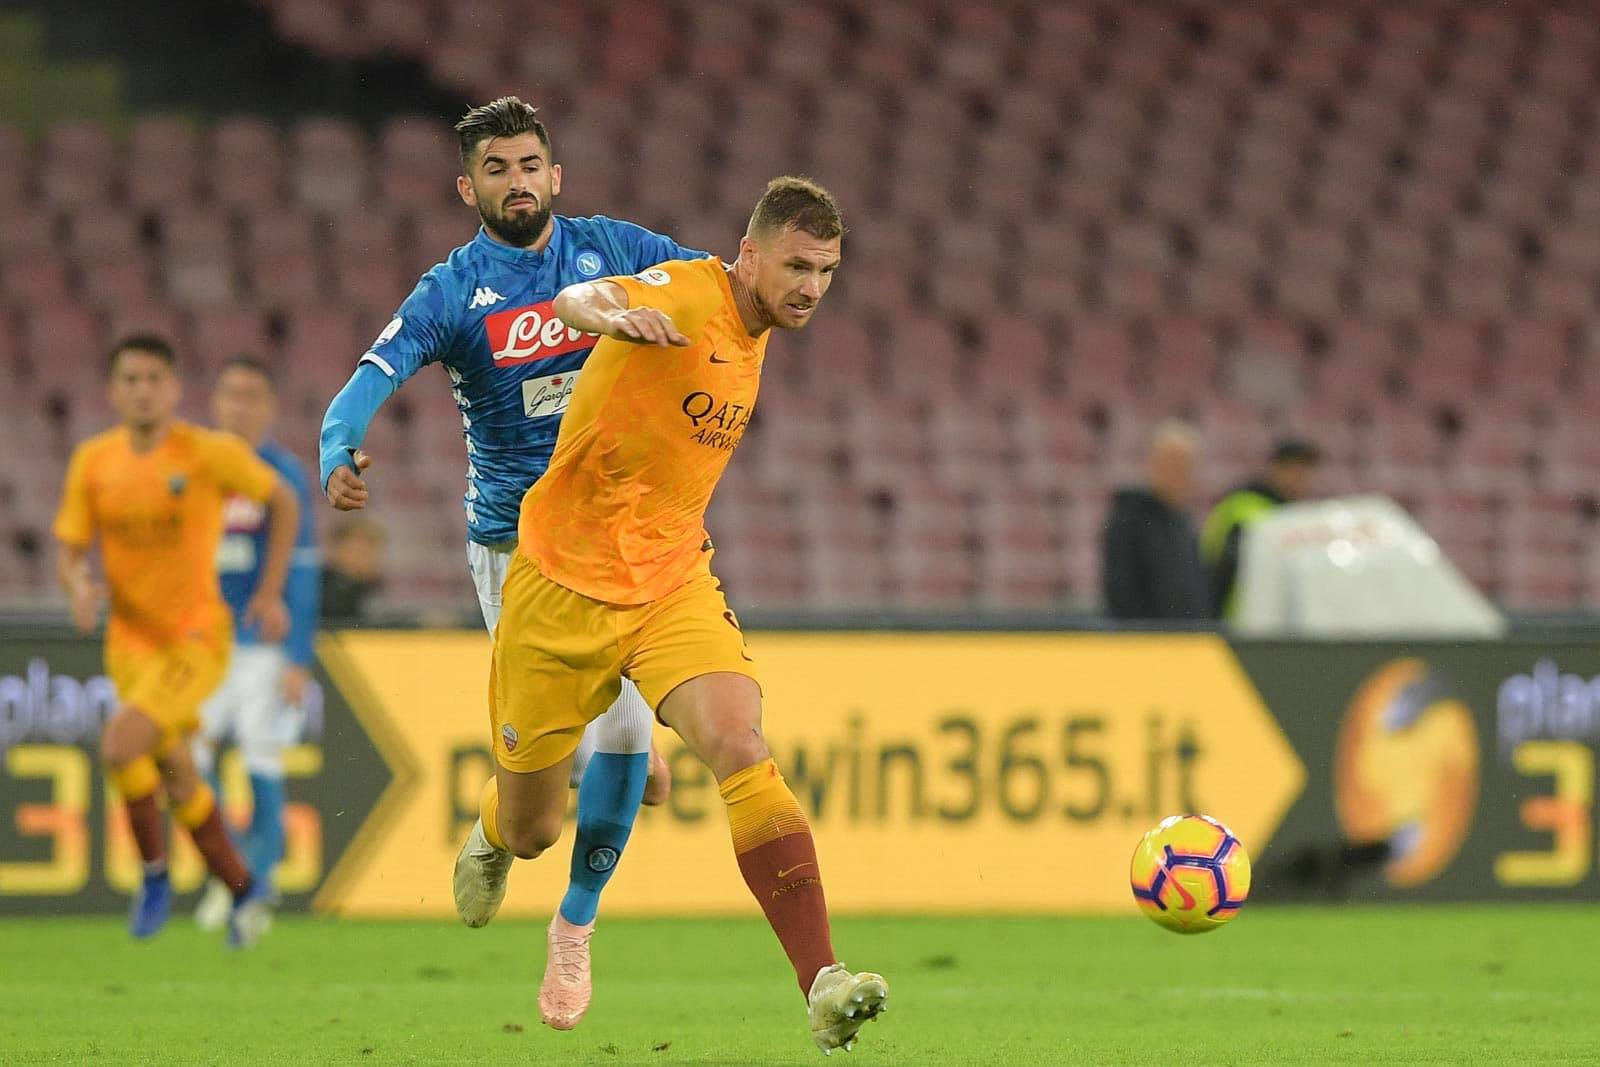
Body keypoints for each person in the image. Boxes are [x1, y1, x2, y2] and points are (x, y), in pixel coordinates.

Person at [454, 177, 889, 1054]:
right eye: (797, 266)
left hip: (669, 581)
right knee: (536, 828)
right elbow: (580, 298)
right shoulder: (690, 291)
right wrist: (600, 312)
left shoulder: (758, 330)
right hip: (559, 584)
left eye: (826, 271)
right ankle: (494, 831)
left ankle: (823, 982)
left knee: (741, 744)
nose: (811, 287)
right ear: (749, 255)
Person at [317, 96, 702, 1028]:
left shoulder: (614, 249)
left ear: (555, 175)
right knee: (539, 821)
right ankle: (501, 828)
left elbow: (717, 289)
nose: (517, 181)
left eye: (529, 164)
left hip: (617, 534)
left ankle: (575, 927)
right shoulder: (453, 291)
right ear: (468, 188)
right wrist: (338, 446)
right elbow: (372, 373)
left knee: (623, 742)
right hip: (516, 550)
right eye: (496, 169)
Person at [53, 334, 299, 947]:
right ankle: (242, 890)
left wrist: (271, 592)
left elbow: (284, 500)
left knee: (120, 745)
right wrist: (78, 585)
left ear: (174, 389)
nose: (142, 390)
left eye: (154, 379)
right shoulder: (93, 461)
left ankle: (154, 874)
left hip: (195, 639)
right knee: (179, 772)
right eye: (131, 379)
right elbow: (71, 549)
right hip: (130, 644)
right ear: (112, 391)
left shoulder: (206, 452)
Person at [191, 357, 320, 931]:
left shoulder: (282, 473)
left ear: (268, 407)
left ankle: (255, 883)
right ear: (215, 402)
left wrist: (298, 657)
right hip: (199, 646)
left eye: (251, 396)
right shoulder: (193, 468)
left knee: (261, 758)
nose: (239, 407)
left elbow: (303, 565)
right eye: (230, 394)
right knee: (189, 764)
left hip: (262, 647)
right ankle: (235, 872)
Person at [1101, 420, 1211, 621]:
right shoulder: (1129, 520)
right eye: (1171, 465)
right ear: (1151, 464)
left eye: (1185, 466)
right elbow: (1121, 594)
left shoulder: (1183, 521)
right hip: (1148, 638)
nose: (1178, 475)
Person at [1202, 436, 1323, 618]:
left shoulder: (1283, 511)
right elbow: (1225, 571)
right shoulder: (1248, 509)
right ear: (1276, 469)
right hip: (1239, 618)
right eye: (1295, 469)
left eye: (1305, 471)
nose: (1301, 478)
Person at [320, 518, 385, 625]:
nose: (368, 558)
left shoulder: (374, 589)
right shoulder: (320, 588)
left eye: (372, 551)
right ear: (337, 550)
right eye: (360, 552)